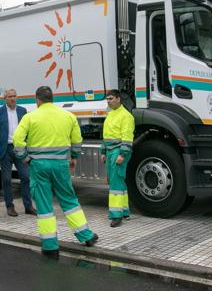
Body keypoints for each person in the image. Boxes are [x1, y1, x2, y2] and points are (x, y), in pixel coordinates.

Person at [13, 86, 98, 259]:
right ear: (52, 98)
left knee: (44, 205)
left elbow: (17, 140)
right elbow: (77, 140)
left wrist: (24, 157)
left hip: (39, 165)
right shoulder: (67, 115)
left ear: (38, 100)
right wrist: (74, 158)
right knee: (69, 200)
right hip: (61, 164)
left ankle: (50, 246)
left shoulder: (30, 117)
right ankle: (86, 236)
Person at [0, 89, 36, 217]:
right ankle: (9, 206)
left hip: (19, 149)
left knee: (25, 177)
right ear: (5, 98)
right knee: (6, 179)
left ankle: (28, 206)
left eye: (14, 96)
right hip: (5, 149)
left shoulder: (22, 111)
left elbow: (27, 129)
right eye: (10, 96)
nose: (12, 98)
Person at [100, 90, 135, 227]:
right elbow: (107, 134)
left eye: (111, 98)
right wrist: (103, 151)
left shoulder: (126, 116)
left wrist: (122, 154)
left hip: (118, 150)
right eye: (107, 99)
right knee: (116, 180)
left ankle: (116, 215)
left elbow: (127, 137)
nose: (108, 101)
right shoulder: (110, 114)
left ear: (118, 99)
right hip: (110, 150)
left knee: (115, 182)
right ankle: (124, 211)